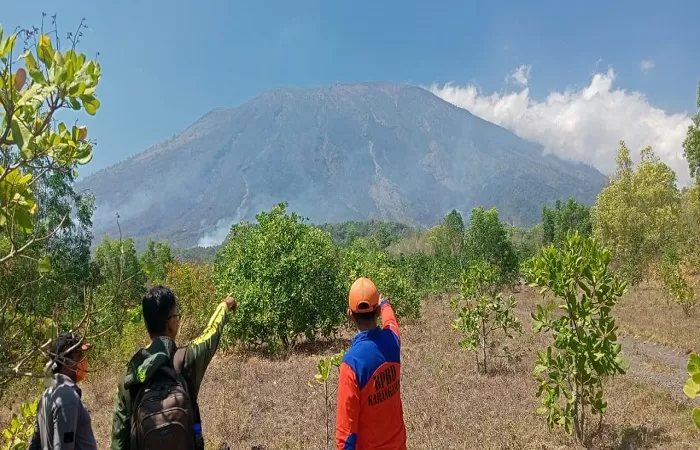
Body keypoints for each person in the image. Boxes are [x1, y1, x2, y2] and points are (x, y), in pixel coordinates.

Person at [109, 285, 237, 450]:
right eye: (177, 315)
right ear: (170, 323)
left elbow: (119, 440)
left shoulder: (130, 374)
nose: (178, 319)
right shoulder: (187, 359)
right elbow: (212, 332)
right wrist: (225, 305)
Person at [336, 277, 407, 450]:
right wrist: (384, 304)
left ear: (350, 315)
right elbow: (391, 322)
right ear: (376, 313)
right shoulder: (392, 341)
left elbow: (345, 435)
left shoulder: (352, 363)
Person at [28, 331, 98, 450]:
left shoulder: (47, 394)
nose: (84, 361)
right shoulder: (67, 397)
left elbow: (35, 445)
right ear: (65, 362)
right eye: (79, 357)